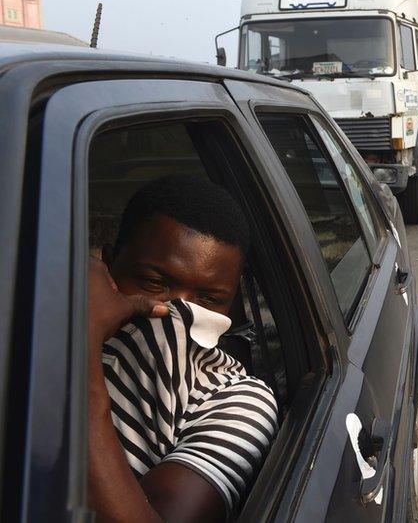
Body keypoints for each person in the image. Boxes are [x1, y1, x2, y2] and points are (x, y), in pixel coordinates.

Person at [87, 175, 278, 522]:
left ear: (230, 307)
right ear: (109, 265)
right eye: (154, 283)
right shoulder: (36, 330)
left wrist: (77, 361)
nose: (175, 313)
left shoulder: (233, 399)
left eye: (208, 299)